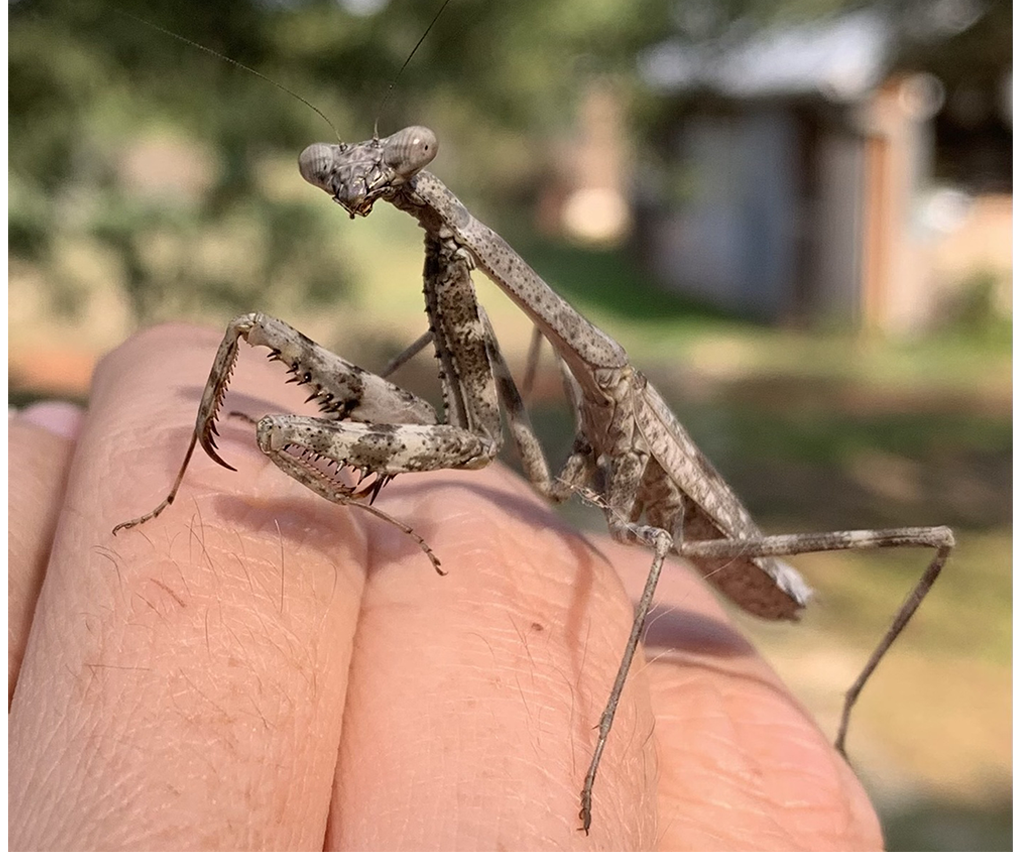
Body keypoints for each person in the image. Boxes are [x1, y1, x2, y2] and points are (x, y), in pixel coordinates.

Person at [9, 324, 881, 849]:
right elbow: (481, 419)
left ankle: (819, 708)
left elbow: (642, 539)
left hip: (738, 552)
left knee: (907, 541)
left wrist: (594, 757)